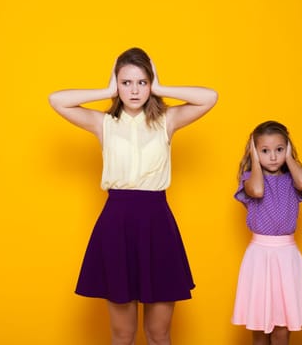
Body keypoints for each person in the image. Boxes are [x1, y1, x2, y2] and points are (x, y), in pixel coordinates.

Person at [48, 47, 217, 345]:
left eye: (142, 82)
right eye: (126, 82)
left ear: (150, 84)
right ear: (117, 85)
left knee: (158, 333)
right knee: (123, 334)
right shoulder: (104, 124)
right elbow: (56, 100)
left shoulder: (168, 120)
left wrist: (161, 87)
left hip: (157, 223)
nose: (134, 90)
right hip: (117, 223)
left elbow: (210, 97)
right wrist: (105, 90)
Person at [232, 121, 302, 345]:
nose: (273, 157)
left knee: (283, 327)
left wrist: (290, 158)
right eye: (264, 151)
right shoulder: (249, 179)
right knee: (260, 326)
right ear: (254, 151)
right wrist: (254, 158)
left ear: (287, 149)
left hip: (287, 255)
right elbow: (258, 191)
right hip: (260, 256)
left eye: (279, 150)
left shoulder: (292, 178)